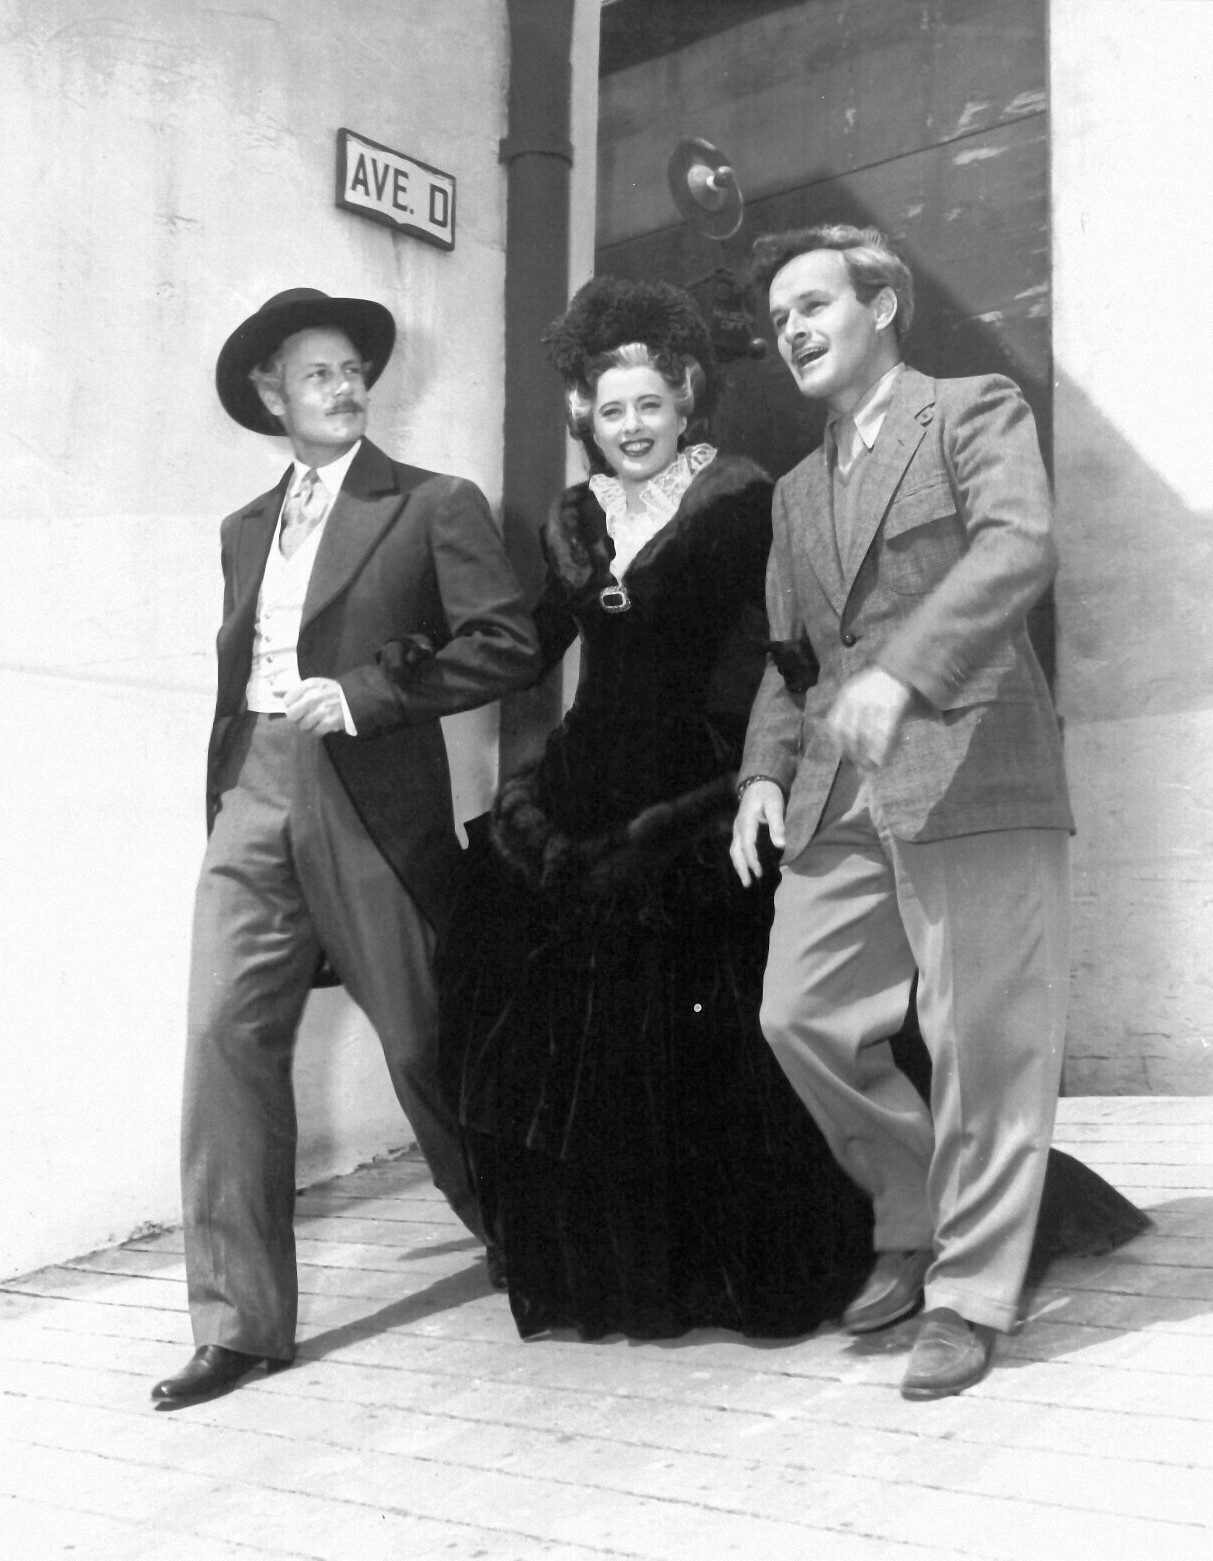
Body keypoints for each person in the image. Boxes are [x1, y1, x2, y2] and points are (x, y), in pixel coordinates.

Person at [730, 223, 1136, 1399]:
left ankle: (971, 1291)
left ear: (882, 304)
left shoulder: (969, 410)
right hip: (838, 784)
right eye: (779, 320)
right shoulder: (795, 490)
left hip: (971, 758)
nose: (793, 330)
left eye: (813, 305)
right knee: (800, 1013)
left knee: (984, 1038)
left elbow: (1018, 547)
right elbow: (790, 658)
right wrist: (763, 773)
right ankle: (917, 1208)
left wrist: (904, 673)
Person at [445, 277, 878, 1340]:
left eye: (649, 404)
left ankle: (737, 1266)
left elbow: (787, 643)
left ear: (684, 399)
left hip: (701, 782)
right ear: (586, 417)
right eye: (612, 409)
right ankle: (615, 1272)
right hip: (583, 787)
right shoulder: (571, 521)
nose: (631, 425)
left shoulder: (744, 500)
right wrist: (396, 681)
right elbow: (528, 644)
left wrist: (787, 766)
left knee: (712, 1038)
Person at [151, 287, 539, 1407]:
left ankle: (522, 1231)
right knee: (221, 1034)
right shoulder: (242, 530)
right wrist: (234, 786)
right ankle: (238, 1323)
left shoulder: (431, 504)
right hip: (253, 788)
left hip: (368, 794)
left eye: (353, 370)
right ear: (272, 395)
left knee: (421, 1039)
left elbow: (507, 642)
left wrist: (370, 693)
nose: (344, 386)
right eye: (317, 372)